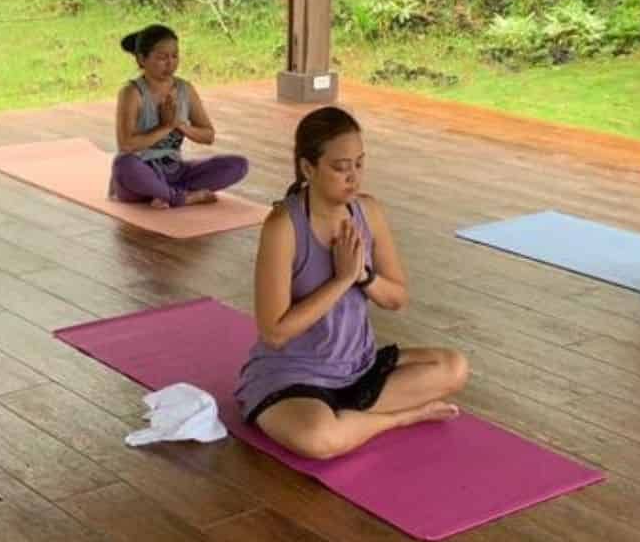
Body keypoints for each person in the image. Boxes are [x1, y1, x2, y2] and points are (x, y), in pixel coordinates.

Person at [230, 107, 469, 460]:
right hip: (293, 376)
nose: (353, 178)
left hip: (357, 366)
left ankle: (351, 418)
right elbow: (275, 332)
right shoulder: (283, 226)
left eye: (359, 164)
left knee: (454, 367)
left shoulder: (368, 212)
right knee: (319, 439)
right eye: (341, 168)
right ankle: (401, 418)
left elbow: (397, 298)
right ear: (308, 168)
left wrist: (364, 276)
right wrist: (341, 280)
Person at [108, 23, 249, 209]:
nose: (170, 63)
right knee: (123, 164)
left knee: (238, 165)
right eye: (162, 57)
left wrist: (181, 126)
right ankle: (181, 198)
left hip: (175, 171)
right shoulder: (131, 93)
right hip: (140, 173)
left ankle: (166, 193)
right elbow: (126, 145)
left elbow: (208, 136)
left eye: (175, 56)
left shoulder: (185, 90)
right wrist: (165, 126)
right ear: (142, 59)